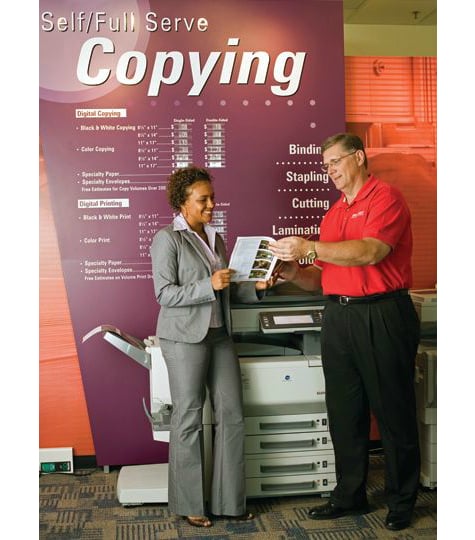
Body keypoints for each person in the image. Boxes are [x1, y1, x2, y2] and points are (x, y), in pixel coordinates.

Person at [268, 133, 421, 532]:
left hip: (382, 313)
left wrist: (310, 247)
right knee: (344, 412)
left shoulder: (385, 198)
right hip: (338, 316)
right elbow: (321, 279)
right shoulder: (334, 213)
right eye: (326, 166)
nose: (330, 171)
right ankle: (349, 494)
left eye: (335, 162)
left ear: (359, 157)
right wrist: (292, 272)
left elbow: (370, 251)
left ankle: (401, 500)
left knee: (393, 411)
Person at [150, 165, 273, 528]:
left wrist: (257, 288)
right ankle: (190, 504)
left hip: (219, 335)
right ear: (182, 202)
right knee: (188, 416)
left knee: (232, 414)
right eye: (202, 199)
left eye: (212, 198)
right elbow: (164, 294)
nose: (211, 205)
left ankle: (230, 502)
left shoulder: (215, 239)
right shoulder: (167, 239)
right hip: (183, 338)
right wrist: (209, 285)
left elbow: (226, 290)